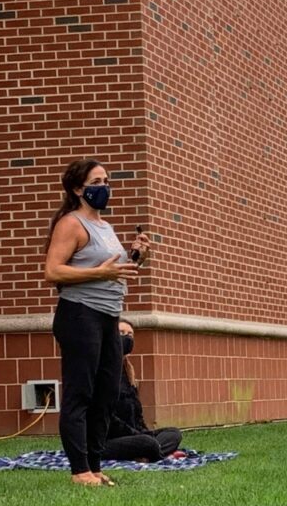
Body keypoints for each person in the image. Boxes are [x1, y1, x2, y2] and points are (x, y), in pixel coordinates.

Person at [44, 159, 150, 486]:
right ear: (78, 189)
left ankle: (94, 466)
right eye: (96, 181)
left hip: (108, 317)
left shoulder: (104, 226)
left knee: (106, 393)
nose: (104, 186)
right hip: (79, 315)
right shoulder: (71, 224)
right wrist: (99, 273)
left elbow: (111, 271)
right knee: (82, 392)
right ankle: (79, 471)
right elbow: (53, 271)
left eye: (106, 180)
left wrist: (135, 257)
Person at [103, 319, 183, 462]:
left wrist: (143, 432)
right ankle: (156, 453)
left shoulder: (128, 372)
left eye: (130, 335)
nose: (126, 338)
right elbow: (108, 418)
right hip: (108, 440)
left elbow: (137, 415)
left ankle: (149, 454)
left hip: (136, 436)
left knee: (174, 433)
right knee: (147, 443)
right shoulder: (103, 371)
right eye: (121, 333)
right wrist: (137, 436)